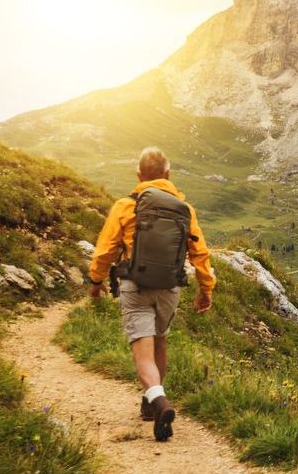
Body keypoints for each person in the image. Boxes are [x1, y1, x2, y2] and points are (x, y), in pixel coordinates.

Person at [88, 146, 215, 441]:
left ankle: (159, 401)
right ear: (168, 175)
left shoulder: (125, 206)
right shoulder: (185, 209)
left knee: (142, 353)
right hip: (169, 288)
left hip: (136, 287)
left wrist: (96, 282)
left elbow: (106, 249)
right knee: (159, 343)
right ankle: (148, 405)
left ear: (139, 175)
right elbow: (200, 252)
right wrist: (206, 289)